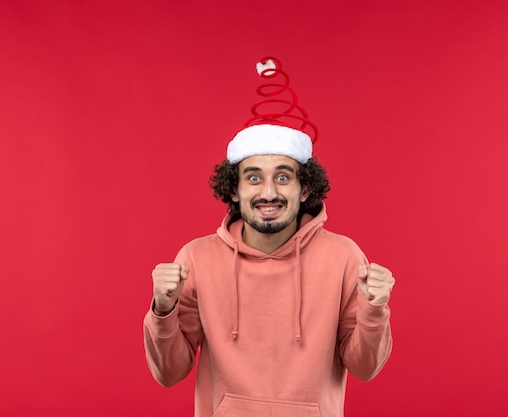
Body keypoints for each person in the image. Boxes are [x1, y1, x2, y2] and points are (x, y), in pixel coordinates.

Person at [143, 57, 395, 417]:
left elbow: (365, 368)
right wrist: (162, 310)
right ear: (234, 189)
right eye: (254, 178)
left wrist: (375, 310)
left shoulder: (343, 257)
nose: (269, 193)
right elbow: (169, 374)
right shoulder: (197, 258)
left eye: (282, 177)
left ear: (305, 188)